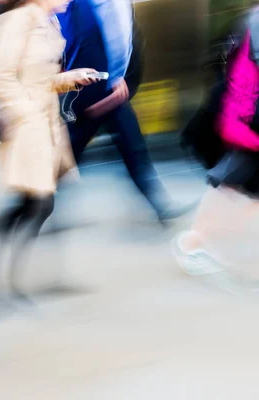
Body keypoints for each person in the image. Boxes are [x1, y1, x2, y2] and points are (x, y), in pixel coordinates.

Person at [0, 0, 99, 302]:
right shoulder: (16, 22)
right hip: (28, 127)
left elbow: (36, 78)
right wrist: (25, 115)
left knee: (38, 203)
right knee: (38, 201)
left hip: (46, 125)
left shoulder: (46, 22)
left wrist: (69, 79)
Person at [57, 0, 185, 222]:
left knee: (132, 147)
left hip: (105, 90)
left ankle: (159, 205)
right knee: (71, 153)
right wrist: (115, 78)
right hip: (91, 92)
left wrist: (120, 79)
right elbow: (108, 39)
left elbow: (125, 39)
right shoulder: (80, 6)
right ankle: (33, 202)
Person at [173, 12, 259, 276]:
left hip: (243, 120)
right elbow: (242, 82)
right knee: (230, 182)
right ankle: (191, 244)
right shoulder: (254, 24)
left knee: (236, 186)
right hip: (245, 121)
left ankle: (193, 243)